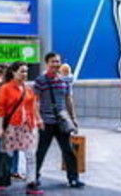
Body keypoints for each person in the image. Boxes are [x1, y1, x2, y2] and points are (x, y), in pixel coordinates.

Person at [32, 51, 84, 191]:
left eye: (57, 61)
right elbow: (35, 101)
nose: (56, 64)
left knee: (68, 150)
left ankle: (73, 178)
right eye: (53, 61)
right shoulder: (40, 80)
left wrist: (73, 118)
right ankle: (34, 177)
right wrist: (38, 119)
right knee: (41, 151)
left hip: (62, 121)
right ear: (47, 63)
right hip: (46, 122)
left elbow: (68, 100)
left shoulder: (64, 80)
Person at [0, 62, 38, 194]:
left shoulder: (28, 89)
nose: (24, 74)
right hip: (12, 126)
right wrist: (0, 128)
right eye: (21, 71)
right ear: (13, 72)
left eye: (26, 71)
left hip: (27, 126)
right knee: (7, 155)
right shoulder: (6, 88)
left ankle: (31, 183)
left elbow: (33, 107)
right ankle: (1, 182)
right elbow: (1, 109)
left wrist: (36, 121)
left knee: (30, 155)